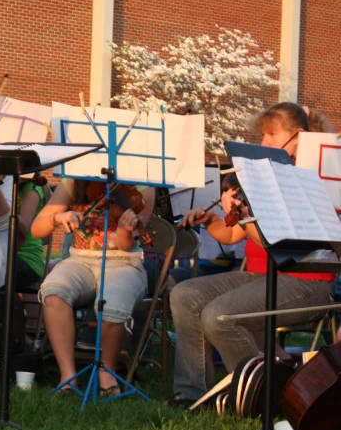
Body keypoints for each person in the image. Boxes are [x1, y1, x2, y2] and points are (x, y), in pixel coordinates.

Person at [169, 103, 336, 407]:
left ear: (297, 137)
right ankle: (193, 392)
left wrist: (246, 219)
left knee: (219, 316)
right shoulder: (262, 177)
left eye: (271, 135)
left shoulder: (317, 181)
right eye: (262, 136)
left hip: (306, 281)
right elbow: (233, 235)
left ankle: (263, 397)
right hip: (260, 277)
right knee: (185, 293)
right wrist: (216, 220)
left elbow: (284, 249)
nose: (263, 144)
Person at [31, 180, 154, 396]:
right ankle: (68, 377)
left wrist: (125, 230)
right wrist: (58, 217)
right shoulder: (73, 181)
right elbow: (37, 229)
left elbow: (128, 244)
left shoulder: (141, 186)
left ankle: (107, 373)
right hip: (80, 260)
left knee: (113, 303)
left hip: (125, 261)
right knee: (53, 290)